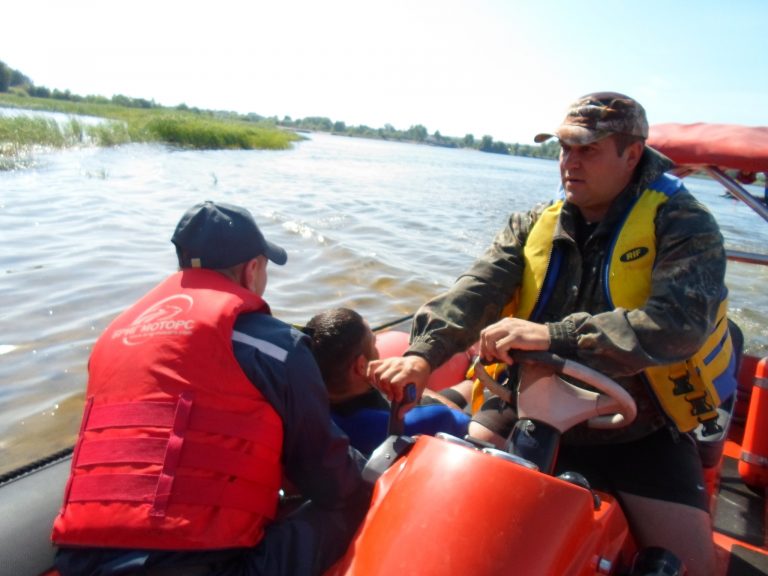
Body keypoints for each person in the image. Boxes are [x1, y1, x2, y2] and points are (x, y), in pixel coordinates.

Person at [368, 93, 736, 576]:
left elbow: (678, 326)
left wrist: (553, 336)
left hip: (639, 423)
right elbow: (477, 290)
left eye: (587, 150)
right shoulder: (532, 223)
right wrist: (422, 353)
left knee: (697, 568)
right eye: (564, 148)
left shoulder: (686, 226)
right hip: (523, 405)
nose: (569, 162)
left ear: (632, 154)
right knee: (449, 522)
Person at [52, 201, 371, 576]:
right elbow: (329, 478)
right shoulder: (277, 347)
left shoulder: (111, 339)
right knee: (353, 502)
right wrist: (375, 471)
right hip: (208, 568)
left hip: (79, 563)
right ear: (252, 270)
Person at [305, 307, 472, 456]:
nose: (377, 348)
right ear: (361, 366)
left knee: (467, 387)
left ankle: (471, 382)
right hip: (439, 425)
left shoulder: (303, 410)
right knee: (471, 394)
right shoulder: (430, 417)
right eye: (373, 341)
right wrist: (408, 385)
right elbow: (460, 420)